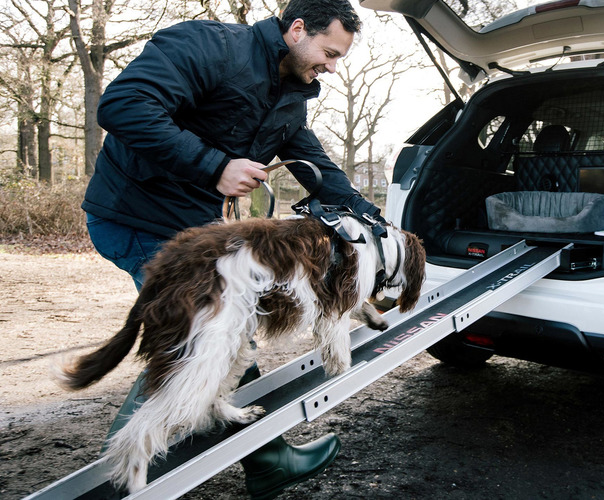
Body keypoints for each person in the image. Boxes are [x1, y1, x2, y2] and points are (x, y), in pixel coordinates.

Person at [81, 1, 376, 498]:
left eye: (337, 58)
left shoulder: (290, 94)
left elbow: (311, 162)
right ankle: (111, 487)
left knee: (229, 335)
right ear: (296, 29)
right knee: (201, 344)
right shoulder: (208, 45)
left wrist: (372, 218)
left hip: (193, 229)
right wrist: (213, 165)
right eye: (328, 52)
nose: (330, 65)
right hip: (135, 216)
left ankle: (267, 458)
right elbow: (123, 105)